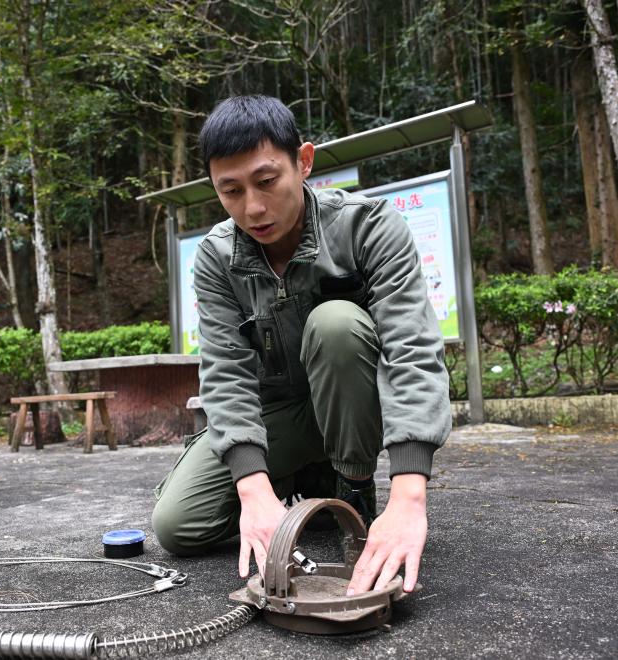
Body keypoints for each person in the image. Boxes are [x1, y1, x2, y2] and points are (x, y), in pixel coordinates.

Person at [152, 95, 451, 597]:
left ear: (304, 161)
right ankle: (304, 480)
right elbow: (225, 371)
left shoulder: (368, 226)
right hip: (279, 415)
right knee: (177, 526)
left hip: (356, 404)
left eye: (267, 181)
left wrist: (409, 497)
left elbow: (413, 350)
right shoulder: (216, 257)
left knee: (337, 324)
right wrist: (253, 489)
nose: (253, 207)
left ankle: (352, 488)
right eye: (231, 191)